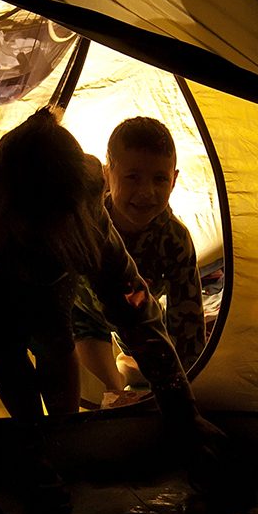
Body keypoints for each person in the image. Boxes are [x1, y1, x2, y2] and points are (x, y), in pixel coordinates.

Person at [0, 106, 232, 514]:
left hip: (56, 282)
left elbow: (137, 310)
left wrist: (183, 412)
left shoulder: (87, 201)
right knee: (4, 346)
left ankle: (63, 443)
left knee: (56, 341)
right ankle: (32, 446)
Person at [73, 116, 206, 401]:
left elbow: (188, 327)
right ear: (107, 175)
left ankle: (129, 365)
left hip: (137, 318)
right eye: (132, 177)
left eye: (160, 179)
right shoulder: (85, 219)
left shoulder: (174, 241)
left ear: (174, 180)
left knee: (159, 378)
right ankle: (121, 371)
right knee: (105, 396)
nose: (146, 192)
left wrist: (185, 389)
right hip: (86, 315)